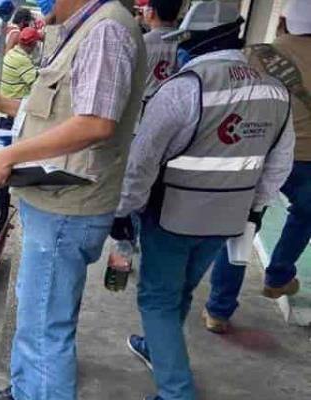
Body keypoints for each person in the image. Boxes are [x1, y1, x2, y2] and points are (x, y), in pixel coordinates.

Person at [0, 0, 146, 399]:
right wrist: (0, 103)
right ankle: (23, 390)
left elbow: (96, 123)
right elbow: (61, 112)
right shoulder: (85, 27)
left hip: (67, 208)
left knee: (45, 329)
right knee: (37, 316)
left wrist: (10, 155)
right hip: (54, 203)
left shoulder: (106, 30)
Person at [110, 2, 294, 399]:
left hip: (171, 218)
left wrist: (123, 210)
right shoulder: (275, 91)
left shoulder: (184, 88)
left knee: (157, 299)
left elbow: (142, 162)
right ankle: (158, 348)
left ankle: (176, 392)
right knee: (181, 291)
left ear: (198, 40)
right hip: (228, 218)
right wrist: (255, 210)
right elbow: (279, 165)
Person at [203, 0, 311, 334]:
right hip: (307, 159)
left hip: (260, 151)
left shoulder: (256, 55)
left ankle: (219, 309)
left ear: (282, 22)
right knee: (305, 215)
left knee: (241, 227)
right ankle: (278, 275)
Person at [138, 0, 182, 100]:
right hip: (177, 102)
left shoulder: (141, 42)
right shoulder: (185, 40)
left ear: (151, 13)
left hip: (147, 103)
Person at [0, 27, 41, 99]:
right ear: (32, 44)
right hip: (15, 98)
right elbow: (36, 82)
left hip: (6, 95)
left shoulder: (12, 52)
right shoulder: (22, 59)